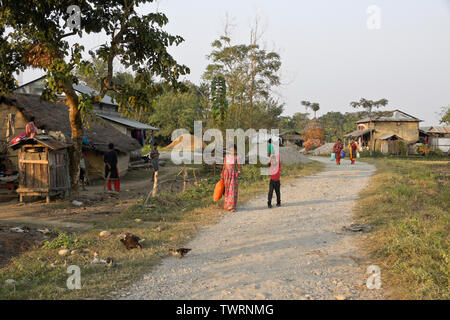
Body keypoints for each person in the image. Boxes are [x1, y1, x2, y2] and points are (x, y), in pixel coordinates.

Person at [221, 144, 241, 212]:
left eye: (233, 150)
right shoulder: (226, 157)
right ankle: (227, 205)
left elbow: (239, 167)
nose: (232, 151)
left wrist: (238, 172)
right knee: (227, 189)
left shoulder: (237, 157)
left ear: (236, 150)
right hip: (226, 174)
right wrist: (222, 173)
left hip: (233, 175)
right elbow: (224, 166)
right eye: (231, 150)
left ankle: (232, 207)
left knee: (232, 190)